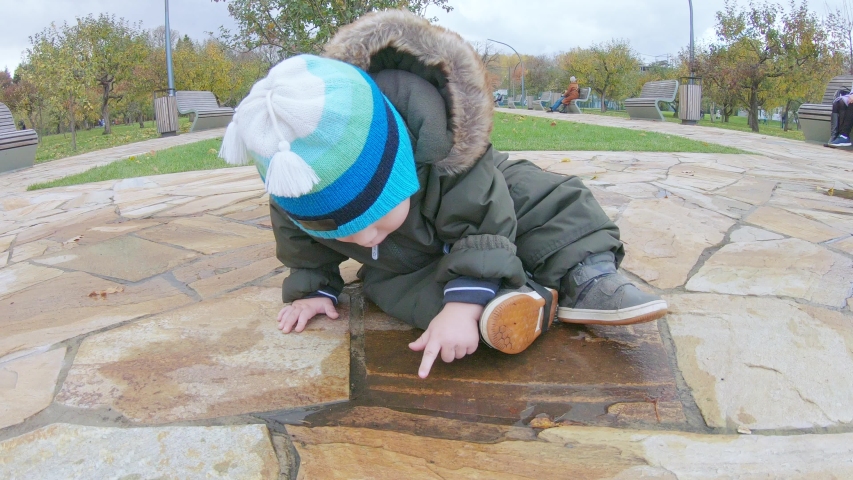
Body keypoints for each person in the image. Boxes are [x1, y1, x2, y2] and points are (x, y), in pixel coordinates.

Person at [218, 11, 668, 379]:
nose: (366, 239)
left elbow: (483, 220)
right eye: (344, 232)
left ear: (398, 172)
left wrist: (462, 299)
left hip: (491, 208)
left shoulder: (444, 148)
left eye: (374, 217)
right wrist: (314, 288)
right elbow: (300, 242)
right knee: (392, 288)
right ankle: (509, 307)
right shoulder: (299, 187)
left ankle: (587, 275)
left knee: (548, 201)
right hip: (419, 257)